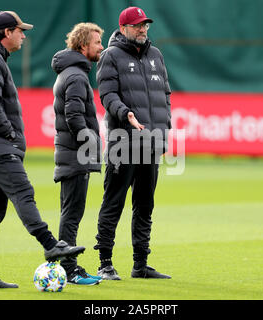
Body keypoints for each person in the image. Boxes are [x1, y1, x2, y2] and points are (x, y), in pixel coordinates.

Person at [0, 11, 85, 289]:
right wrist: (10, 134)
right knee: (23, 193)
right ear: (7, 33)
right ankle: (51, 245)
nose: (23, 36)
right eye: (20, 31)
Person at [94, 7, 172, 280]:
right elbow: (107, 95)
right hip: (122, 142)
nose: (143, 29)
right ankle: (105, 263)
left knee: (145, 204)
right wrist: (124, 113)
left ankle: (140, 265)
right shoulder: (110, 56)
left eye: (145, 25)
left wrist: (165, 130)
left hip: (150, 142)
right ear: (124, 28)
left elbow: (165, 94)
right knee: (113, 202)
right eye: (138, 25)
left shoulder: (156, 55)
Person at [51, 23, 104, 285]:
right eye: (97, 43)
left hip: (71, 154)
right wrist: (90, 143)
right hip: (75, 156)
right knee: (72, 214)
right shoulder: (76, 76)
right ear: (83, 45)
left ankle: (66, 268)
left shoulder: (71, 72)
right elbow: (73, 116)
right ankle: (69, 270)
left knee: (69, 212)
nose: (101, 47)